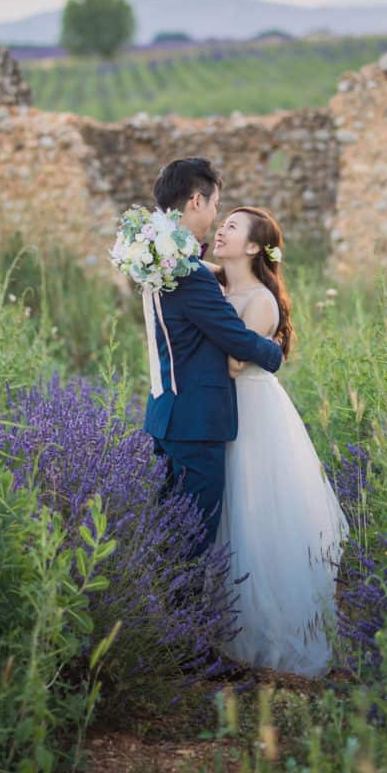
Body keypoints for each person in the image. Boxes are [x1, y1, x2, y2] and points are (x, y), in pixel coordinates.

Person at [211, 206, 348, 678]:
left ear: (253, 247)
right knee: (232, 514)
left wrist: (212, 317)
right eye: (220, 222)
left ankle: (272, 639)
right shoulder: (220, 285)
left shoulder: (260, 300)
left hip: (253, 411)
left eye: (232, 227)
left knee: (258, 514)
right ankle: (231, 632)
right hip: (227, 409)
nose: (220, 230)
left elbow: (233, 363)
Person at [142, 158, 284, 556]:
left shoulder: (158, 259)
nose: (217, 217)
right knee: (191, 541)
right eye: (216, 205)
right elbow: (234, 337)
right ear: (196, 201)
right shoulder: (188, 272)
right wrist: (274, 354)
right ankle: (180, 614)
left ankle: (169, 610)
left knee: (171, 533)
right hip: (195, 422)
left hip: (169, 412)